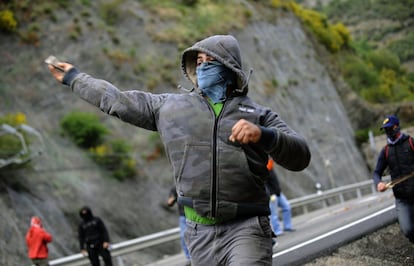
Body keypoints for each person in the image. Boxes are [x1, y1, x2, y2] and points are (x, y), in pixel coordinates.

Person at [47, 35, 311, 265]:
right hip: (198, 233)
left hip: (248, 228)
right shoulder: (170, 108)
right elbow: (117, 100)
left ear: (229, 67)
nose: (203, 65)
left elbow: (301, 156)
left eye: (211, 60)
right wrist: (74, 78)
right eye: (199, 62)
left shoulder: (258, 115)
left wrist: (264, 136)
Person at [373, 115, 414, 244]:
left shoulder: (411, 142)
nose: (388, 131)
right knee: (407, 230)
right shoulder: (385, 151)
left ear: (397, 127)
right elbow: (376, 172)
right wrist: (379, 183)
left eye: (390, 128)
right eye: (386, 129)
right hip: (402, 199)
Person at [266, 159, 295, 237]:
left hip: (278, 193)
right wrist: (271, 194)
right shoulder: (262, 169)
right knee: (274, 214)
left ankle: (287, 226)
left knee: (287, 207)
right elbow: (264, 184)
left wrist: (278, 191)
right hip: (272, 195)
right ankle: (277, 231)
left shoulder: (270, 167)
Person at [167, 186, 191, 265]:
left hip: (193, 216)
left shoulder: (190, 185)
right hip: (183, 217)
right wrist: (174, 198)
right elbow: (169, 203)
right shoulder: (175, 188)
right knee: (183, 236)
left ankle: (195, 256)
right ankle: (189, 258)